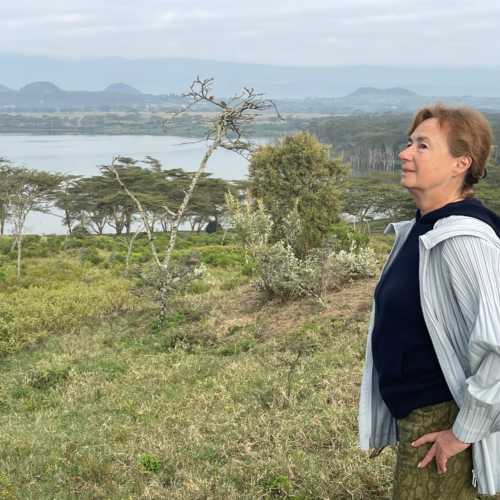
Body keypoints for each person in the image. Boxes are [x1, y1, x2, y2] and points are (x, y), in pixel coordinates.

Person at [358, 104, 500, 499]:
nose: (405, 154)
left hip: (441, 420)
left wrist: (462, 432)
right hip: (420, 418)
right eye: (409, 143)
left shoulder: (464, 240)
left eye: (422, 145)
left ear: (461, 163)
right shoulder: (422, 229)